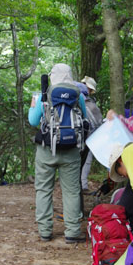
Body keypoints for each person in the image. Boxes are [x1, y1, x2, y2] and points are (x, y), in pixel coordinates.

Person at [29, 63, 88, 243]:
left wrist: (35, 105)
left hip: (47, 149)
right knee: (71, 191)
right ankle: (72, 232)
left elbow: (32, 121)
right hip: (71, 149)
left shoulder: (43, 95)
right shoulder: (79, 96)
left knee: (44, 190)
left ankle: (45, 231)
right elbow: (84, 119)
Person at [79, 76, 104, 193]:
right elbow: (98, 121)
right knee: (87, 159)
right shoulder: (89, 102)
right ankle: (82, 184)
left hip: (75, 135)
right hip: (88, 136)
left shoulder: (72, 98)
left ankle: (77, 184)